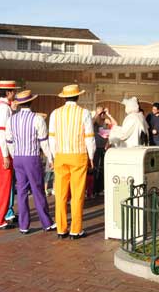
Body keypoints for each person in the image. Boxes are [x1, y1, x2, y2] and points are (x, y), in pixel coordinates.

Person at [5, 90, 56, 234]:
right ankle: (46, 223)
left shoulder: (11, 120)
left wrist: (15, 154)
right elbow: (43, 142)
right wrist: (50, 157)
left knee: (21, 192)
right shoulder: (37, 119)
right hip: (32, 157)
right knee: (37, 190)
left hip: (18, 157)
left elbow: (9, 140)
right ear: (31, 102)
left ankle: (24, 225)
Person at [49, 84, 96, 240]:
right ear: (78, 96)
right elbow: (89, 137)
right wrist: (91, 156)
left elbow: (52, 138)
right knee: (77, 194)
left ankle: (61, 229)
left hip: (60, 156)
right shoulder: (84, 113)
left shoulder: (55, 113)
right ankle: (76, 229)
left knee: (60, 194)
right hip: (78, 156)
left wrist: (52, 157)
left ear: (64, 97)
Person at [0, 80, 19, 230]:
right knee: (3, 184)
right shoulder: (4, 108)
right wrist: (6, 155)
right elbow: (2, 132)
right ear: (8, 93)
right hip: (0, 147)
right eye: (13, 91)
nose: (15, 94)